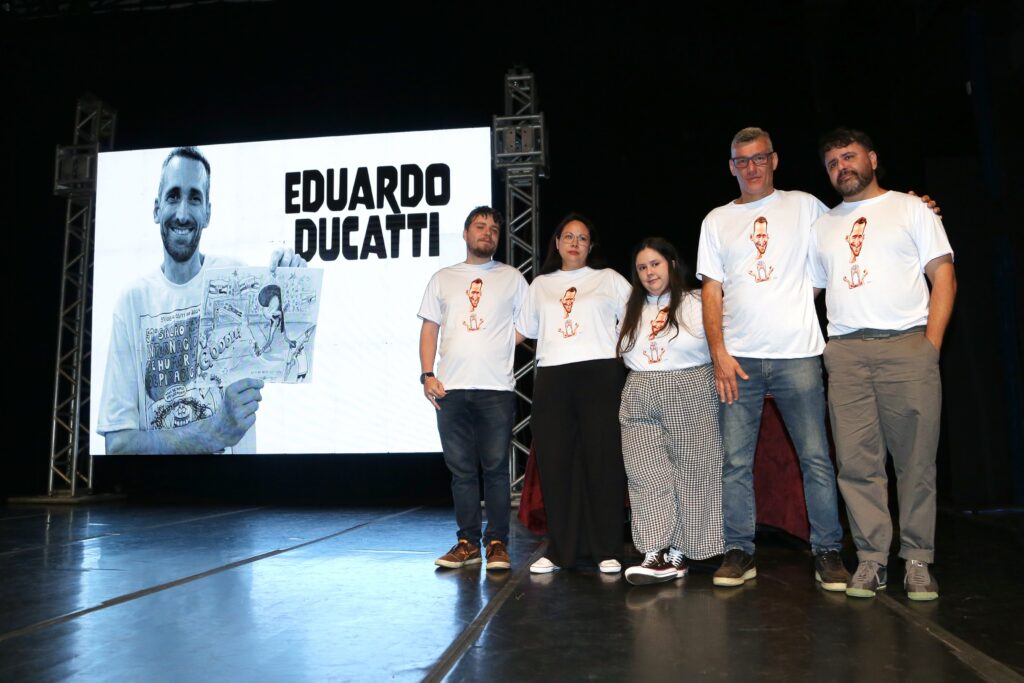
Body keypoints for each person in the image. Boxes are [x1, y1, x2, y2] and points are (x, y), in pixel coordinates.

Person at [696, 127, 851, 591]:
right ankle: (739, 550)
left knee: (816, 459)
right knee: (734, 463)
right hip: (738, 359)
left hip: (798, 355)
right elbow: (711, 290)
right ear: (731, 167)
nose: (752, 167)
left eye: (760, 158)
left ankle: (827, 551)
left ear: (775, 160)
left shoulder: (804, 205)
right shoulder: (717, 220)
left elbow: (848, 228)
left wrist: (916, 207)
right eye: (742, 160)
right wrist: (718, 352)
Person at [810, 128, 955, 601]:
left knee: (915, 463)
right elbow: (803, 291)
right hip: (848, 354)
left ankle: (917, 559)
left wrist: (930, 345)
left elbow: (944, 275)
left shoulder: (911, 209)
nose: (841, 168)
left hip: (907, 347)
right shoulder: (823, 225)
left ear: (872, 157)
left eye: (849, 157)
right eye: (832, 163)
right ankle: (872, 560)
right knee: (855, 463)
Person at [97, 146, 306, 455]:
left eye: (194, 198)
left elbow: (285, 349)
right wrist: (212, 433)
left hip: (233, 497)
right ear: (156, 208)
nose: (182, 213)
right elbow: (118, 445)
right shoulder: (132, 303)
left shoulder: (236, 280)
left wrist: (292, 285)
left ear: (207, 212)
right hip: (156, 500)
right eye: (173, 196)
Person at [516, 213, 632, 575]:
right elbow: (522, 333)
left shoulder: (609, 279)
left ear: (591, 245)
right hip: (553, 376)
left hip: (600, 373)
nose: (575, 243)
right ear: (557, 242)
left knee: (603, 462)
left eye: (583, 238)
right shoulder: (540, 285)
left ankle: (608, 548)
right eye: (568, 236)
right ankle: (561, 550)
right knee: (556, 463)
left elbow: (636, 319)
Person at [418, 206, 528, 571]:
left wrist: (499, 345)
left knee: (496, 470)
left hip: (496, 389)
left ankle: (497, 543)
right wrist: (426, 375)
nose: (487, 233)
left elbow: (530, 323)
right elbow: (430, 329)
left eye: (494, 229)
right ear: (465, 234)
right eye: (480, 227)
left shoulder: (512, 277)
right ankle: (466, 543)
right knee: (461, 471)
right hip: (450, 389)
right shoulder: (443, 278)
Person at [617, 238, 724, 586]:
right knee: (646, 474)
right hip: (639, 391)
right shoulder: (629, 307)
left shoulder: (696, 301)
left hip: (690, 387)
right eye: (642, 267)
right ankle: (654, 550)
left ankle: (680, 551)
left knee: (694, 475)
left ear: (672, 264)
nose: (649, 272)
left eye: (655, 264)